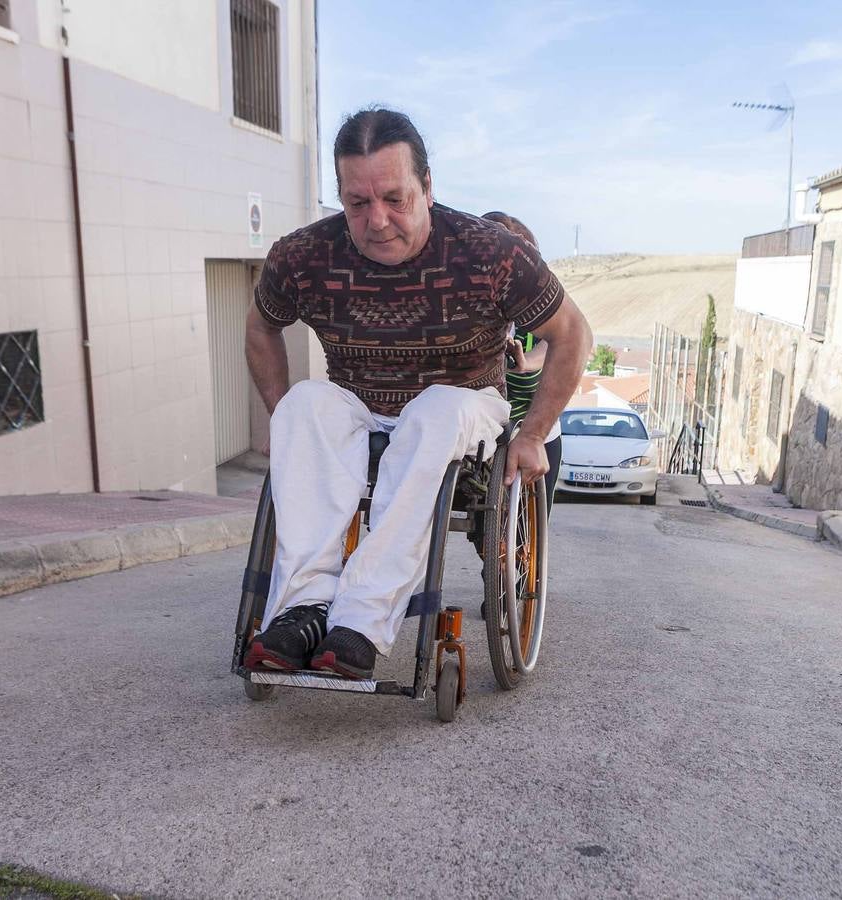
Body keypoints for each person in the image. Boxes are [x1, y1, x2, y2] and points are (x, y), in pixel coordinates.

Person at [242, 108, 593, 680]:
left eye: (395, 199)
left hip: (466, 402)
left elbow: (572, 334)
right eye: (358, 203)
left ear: (427, 188)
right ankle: (302, 610)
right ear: (340, 196)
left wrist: (532, 436)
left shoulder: (490, 253)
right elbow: (261, 326)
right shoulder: (302, 256)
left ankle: (359, 620)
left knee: (435, 408)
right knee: (304, 406)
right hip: (359, 402)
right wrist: (280, 414)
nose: (377, 220)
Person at [480, 211, 562, 511]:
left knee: (531, 526)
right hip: (483, 432)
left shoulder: (540, 307)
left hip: (536, 428)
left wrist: (525, 362)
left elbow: (556, 344)